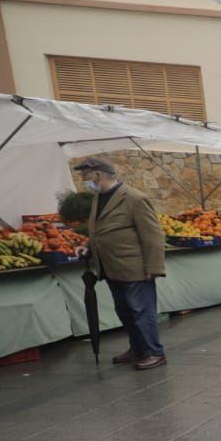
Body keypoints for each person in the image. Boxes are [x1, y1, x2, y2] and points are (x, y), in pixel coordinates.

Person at [76, 157, 167, 370]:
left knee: (141, 311)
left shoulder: (135, 198)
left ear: (97, 174)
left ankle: (155, 352)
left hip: (134, 267)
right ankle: (138, 348)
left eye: (85, 176)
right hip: (110, 267)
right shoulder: (100, 198)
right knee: (125, 312)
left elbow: (153, 236)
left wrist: (153, 268)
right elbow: (101, 229)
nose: (84, 180)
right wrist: (89, 248)